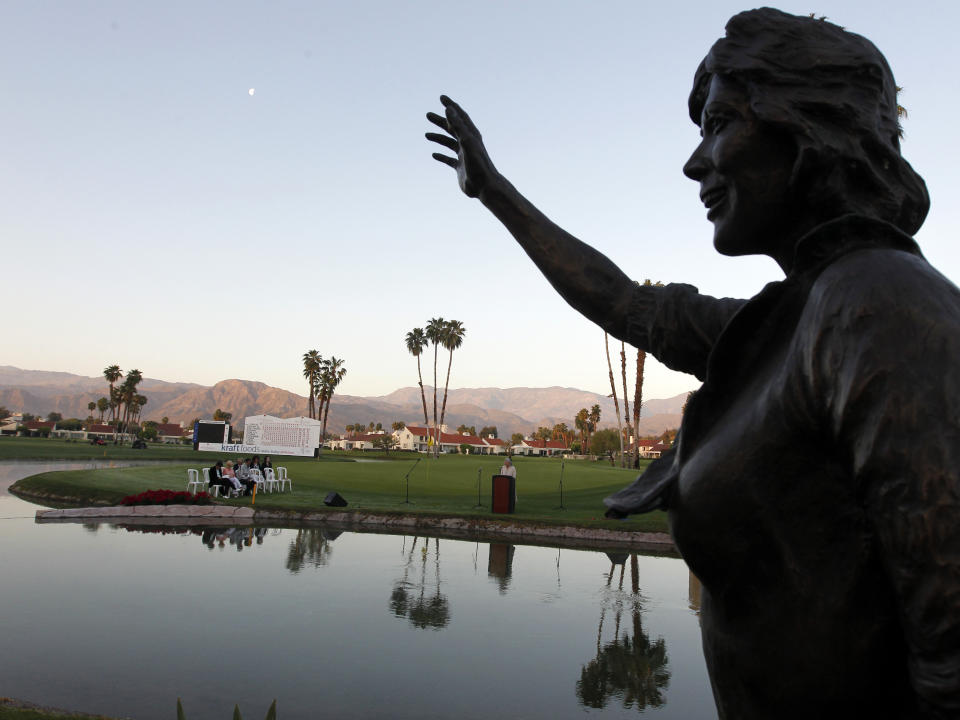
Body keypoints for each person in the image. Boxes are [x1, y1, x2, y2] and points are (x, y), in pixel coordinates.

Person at [427, 9, 960, 718]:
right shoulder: (791, 318)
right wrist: (494, 192)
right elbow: (625, 303)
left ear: (803, 129)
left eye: (718, 124)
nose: (695, 162)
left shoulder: (877, 305)